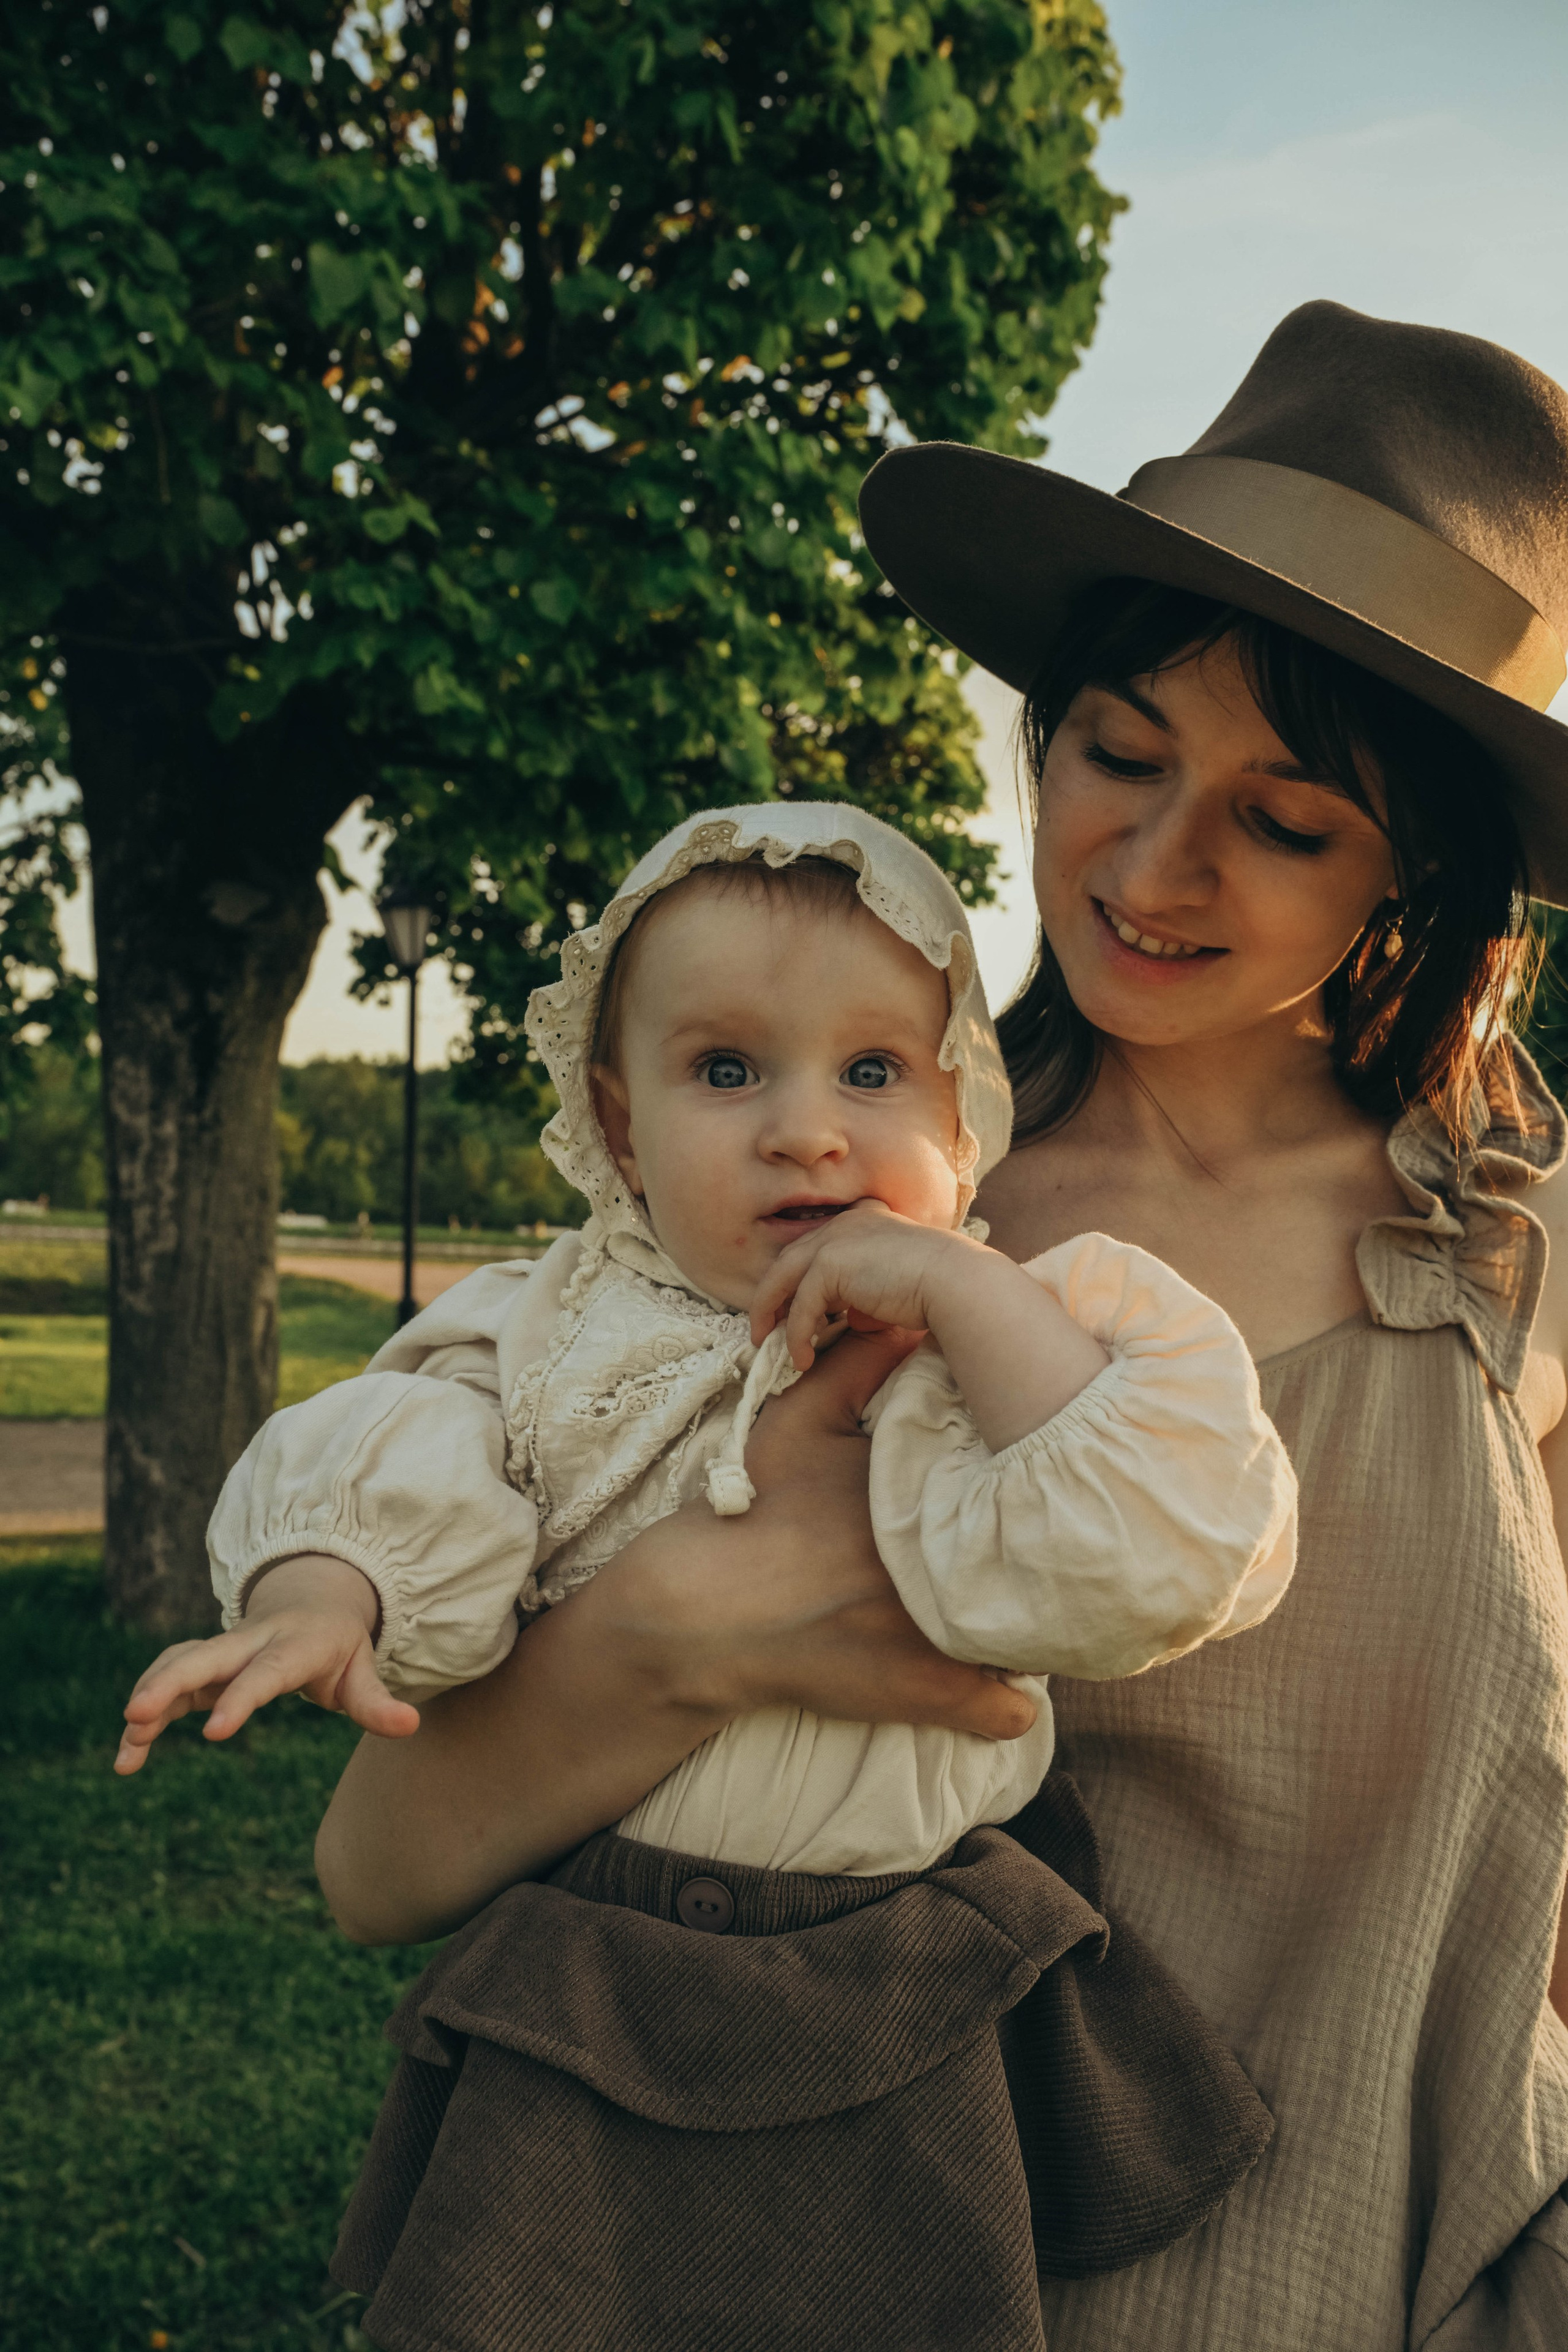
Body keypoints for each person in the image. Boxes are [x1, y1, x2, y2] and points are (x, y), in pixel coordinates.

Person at [146, 296, 1568, 2345]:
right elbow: (378, 1873)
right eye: (1120, 752)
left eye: (1283, 819)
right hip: (929, 2254)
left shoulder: (1522, 1248)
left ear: (1416, 870)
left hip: (1415, 2257)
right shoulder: (834, 1212)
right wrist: (673, 1629)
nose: (1158, 864)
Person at [119, 806, 1295, 2351]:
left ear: (963, 1117)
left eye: (871, 1073)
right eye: (726, 1070)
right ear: (619, 1129)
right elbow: (394, 1447)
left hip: (898, 1968)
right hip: (593, 1959)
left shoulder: (1007, 1337)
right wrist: (323, 1594)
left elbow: (1157, 1556)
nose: (804, 1131)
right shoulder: (545, 1325)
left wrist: (964, 1296)